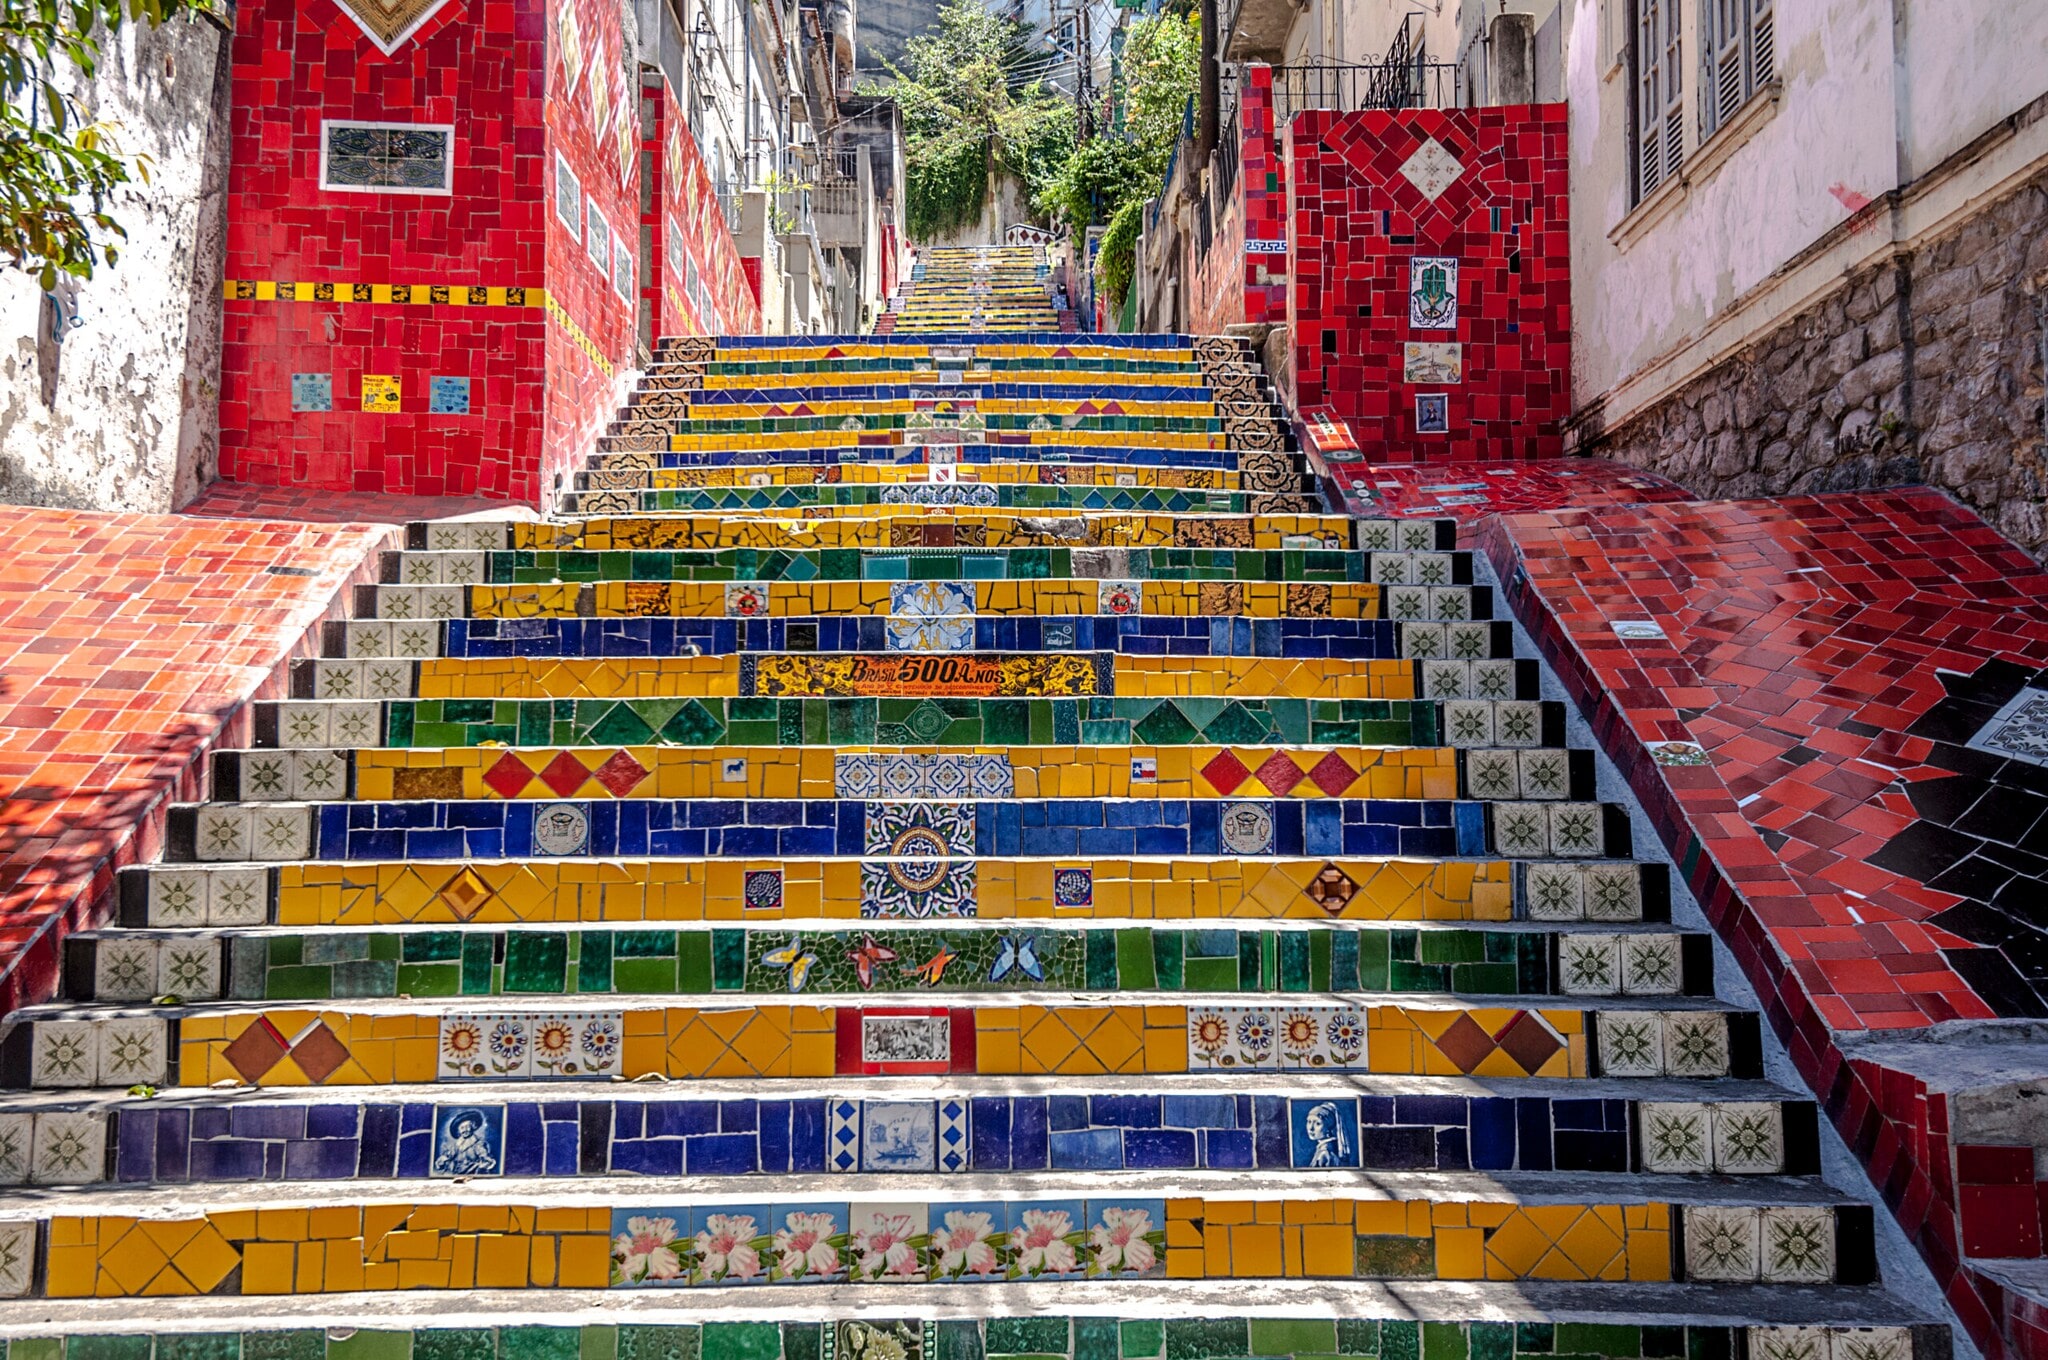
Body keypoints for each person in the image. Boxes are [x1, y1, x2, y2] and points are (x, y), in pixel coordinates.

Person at [1302, 1102, 1350, 1167]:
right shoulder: (1323, 1149)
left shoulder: (1325, 1153)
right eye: (1309, 1122)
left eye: (1318, 1123)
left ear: (1328, 1127)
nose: (1311, 1128)